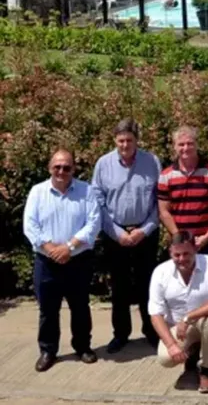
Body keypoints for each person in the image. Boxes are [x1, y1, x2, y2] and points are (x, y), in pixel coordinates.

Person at [23, 149, 101, 372]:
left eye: (67, 167)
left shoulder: (87, 191)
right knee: (48, 310)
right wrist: (51, 249)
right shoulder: (37, 192)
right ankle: (48, 351)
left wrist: (68, 247)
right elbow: (30, 225)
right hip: (46, 262)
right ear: (50, 168)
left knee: (80, 307)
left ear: (73, 169)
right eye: (57, 166)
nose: (61, 171)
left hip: (78, 260)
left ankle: (83, 347)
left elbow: (93, 223)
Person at [91, 118, 162, 352]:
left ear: (136, 140)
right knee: (119, 288)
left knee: (147, 286)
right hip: (115, 234)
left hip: (145, 232)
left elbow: (159, 202)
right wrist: (118, 233)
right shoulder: (103, 164)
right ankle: (120, 334)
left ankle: (152, 331)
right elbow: (97, 203)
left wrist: (145, 229)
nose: (125, 145)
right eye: (121, 140)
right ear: (115, 140)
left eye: (129, 140)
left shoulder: (152, 162)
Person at [149, 231, 208, 395]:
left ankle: (207, 368)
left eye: (186, 253)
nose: (181, 259)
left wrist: (188, 318)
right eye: (176, 255)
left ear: (195, 249)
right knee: (166, 359)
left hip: (204, 322)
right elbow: (155, 314)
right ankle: (193, 351)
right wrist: (171, 345)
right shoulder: (160, 272)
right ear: (170, 253)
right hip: (178, 330)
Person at [157, 126, 208, 259]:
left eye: (190, 143)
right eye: (181, 144)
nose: (185, 148)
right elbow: (163, 211)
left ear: (197, 144)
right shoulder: (166, 175)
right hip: (179, 244)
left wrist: (207, 237)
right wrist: (179, 237)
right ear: (174, 147)